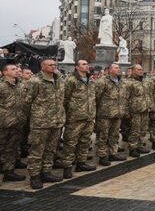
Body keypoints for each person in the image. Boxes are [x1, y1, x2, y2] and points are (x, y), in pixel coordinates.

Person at [24, 59, 65, 189]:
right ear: (42, 67)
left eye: (54, 65)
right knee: (37, 150)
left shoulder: (59, 80)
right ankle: (35, 176)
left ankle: (46, 172)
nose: (53, 67)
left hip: (56, 121)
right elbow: (26, 100)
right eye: (50, 65)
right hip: (41, 122)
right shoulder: (35, 81)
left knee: (51, 149)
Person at [60, 59, 97, 178]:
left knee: (85, 141)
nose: (87, 66)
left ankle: (81, 163)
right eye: (84, 64)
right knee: (70, 143)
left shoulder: (90, 80)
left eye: (87, 64)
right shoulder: (71, 80)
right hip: (75, 118)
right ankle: (67, 167)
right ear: (77, 67)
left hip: (88, 117)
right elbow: (64, 98)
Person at [0, 63, 28, 183]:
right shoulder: (1, 86)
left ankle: (9, 172)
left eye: (17, 69)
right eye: (13, 69)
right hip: (3, 123)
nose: (16, 71)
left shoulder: (21, 86)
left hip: (17, 123)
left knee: (11, 149)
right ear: (4, 72)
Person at [95, 63, 126, 166]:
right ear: (109, 70)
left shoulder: (120, 81)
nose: (118, 69)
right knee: (103, 135)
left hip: (117, 113)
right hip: (105, 114)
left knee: (115, 135)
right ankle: (102, 156)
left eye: (119, 68)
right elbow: (97, 97)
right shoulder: (102, 81)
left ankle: (113, 153)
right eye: (116, 68)